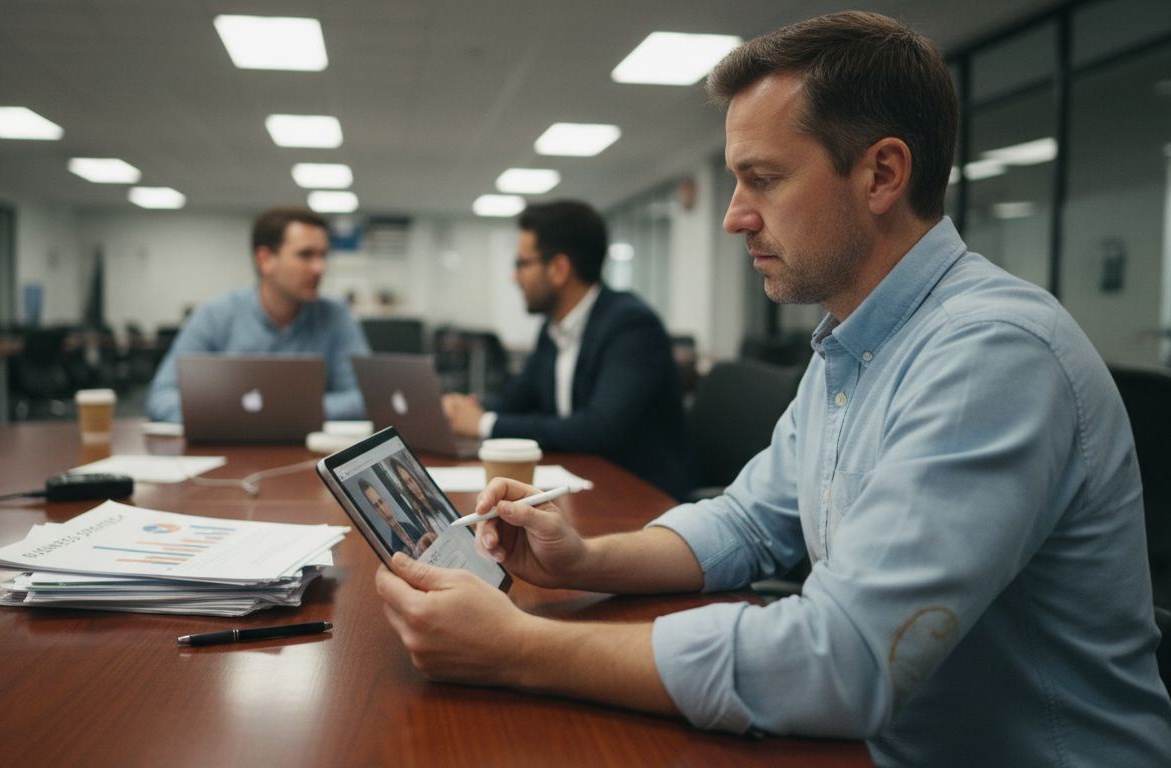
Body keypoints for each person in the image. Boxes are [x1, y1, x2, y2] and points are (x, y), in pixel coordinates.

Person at [376, 12, 1171, 766]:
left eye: (763, 179)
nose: (733, 218)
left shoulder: (990, 354)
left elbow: (843, 660)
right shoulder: (850, 343)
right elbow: (751, 523)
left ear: (882, 174)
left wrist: (517, 647)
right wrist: (581, 559)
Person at [441, 200, 695, 500]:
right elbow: (520, 396)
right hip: (584, 480)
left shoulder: (631, 326)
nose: (515, 277)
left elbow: (600, 428)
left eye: (522, 264)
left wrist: (484, 423)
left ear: (559, 269)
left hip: (639, 492)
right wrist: (470, 409)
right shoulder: (554, 328)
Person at [145, 206, 369, 422]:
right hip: (230, 449)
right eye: (306, 255)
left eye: (323, 255)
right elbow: (161, 397)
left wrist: (271, 412)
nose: (320, 268)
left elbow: (364, 398)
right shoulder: (215, 315)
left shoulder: (336, 316)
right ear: (265, 260)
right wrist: (238, 414)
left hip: (308, 455)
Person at [360, 478, 435, 558]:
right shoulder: (394, 545)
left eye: (381, 501)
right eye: (376, 506)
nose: (382, 508)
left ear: (385, 501)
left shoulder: (408, 526)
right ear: (376, 512)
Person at [389, 456, 452, 536]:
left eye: (411, 480)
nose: (413, 487)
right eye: (406, 484)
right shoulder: (418, 515)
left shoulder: (438, 502)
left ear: (415, 479)